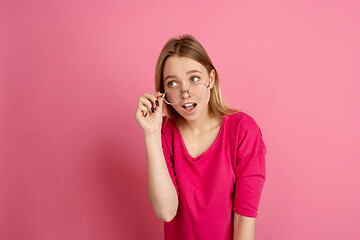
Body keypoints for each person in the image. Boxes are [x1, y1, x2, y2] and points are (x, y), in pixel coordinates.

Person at [134, 34, 267, 240]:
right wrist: (151, 134)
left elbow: (244, 220)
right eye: (172, 84)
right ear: (163, 93)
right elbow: (166, 212)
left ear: (211, 79)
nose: (185, 92)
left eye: (194, 78)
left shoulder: (243, 130)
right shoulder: (163, 135)